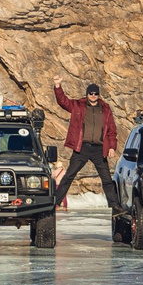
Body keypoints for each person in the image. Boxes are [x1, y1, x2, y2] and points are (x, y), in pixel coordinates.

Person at [34, 79, 122, 212]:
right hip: (83, 148)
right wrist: (58, 86)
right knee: (69, 175)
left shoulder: (105, 109)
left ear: (98, 95)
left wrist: (111, 147)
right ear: (87, 94)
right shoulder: (78, 105)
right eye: (91, 93)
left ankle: (114, 206)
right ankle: (55, 203)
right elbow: (63, 101)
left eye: (95, 93)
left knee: (107, 180)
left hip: (99, 149)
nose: (93, 95)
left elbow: (111, 130)